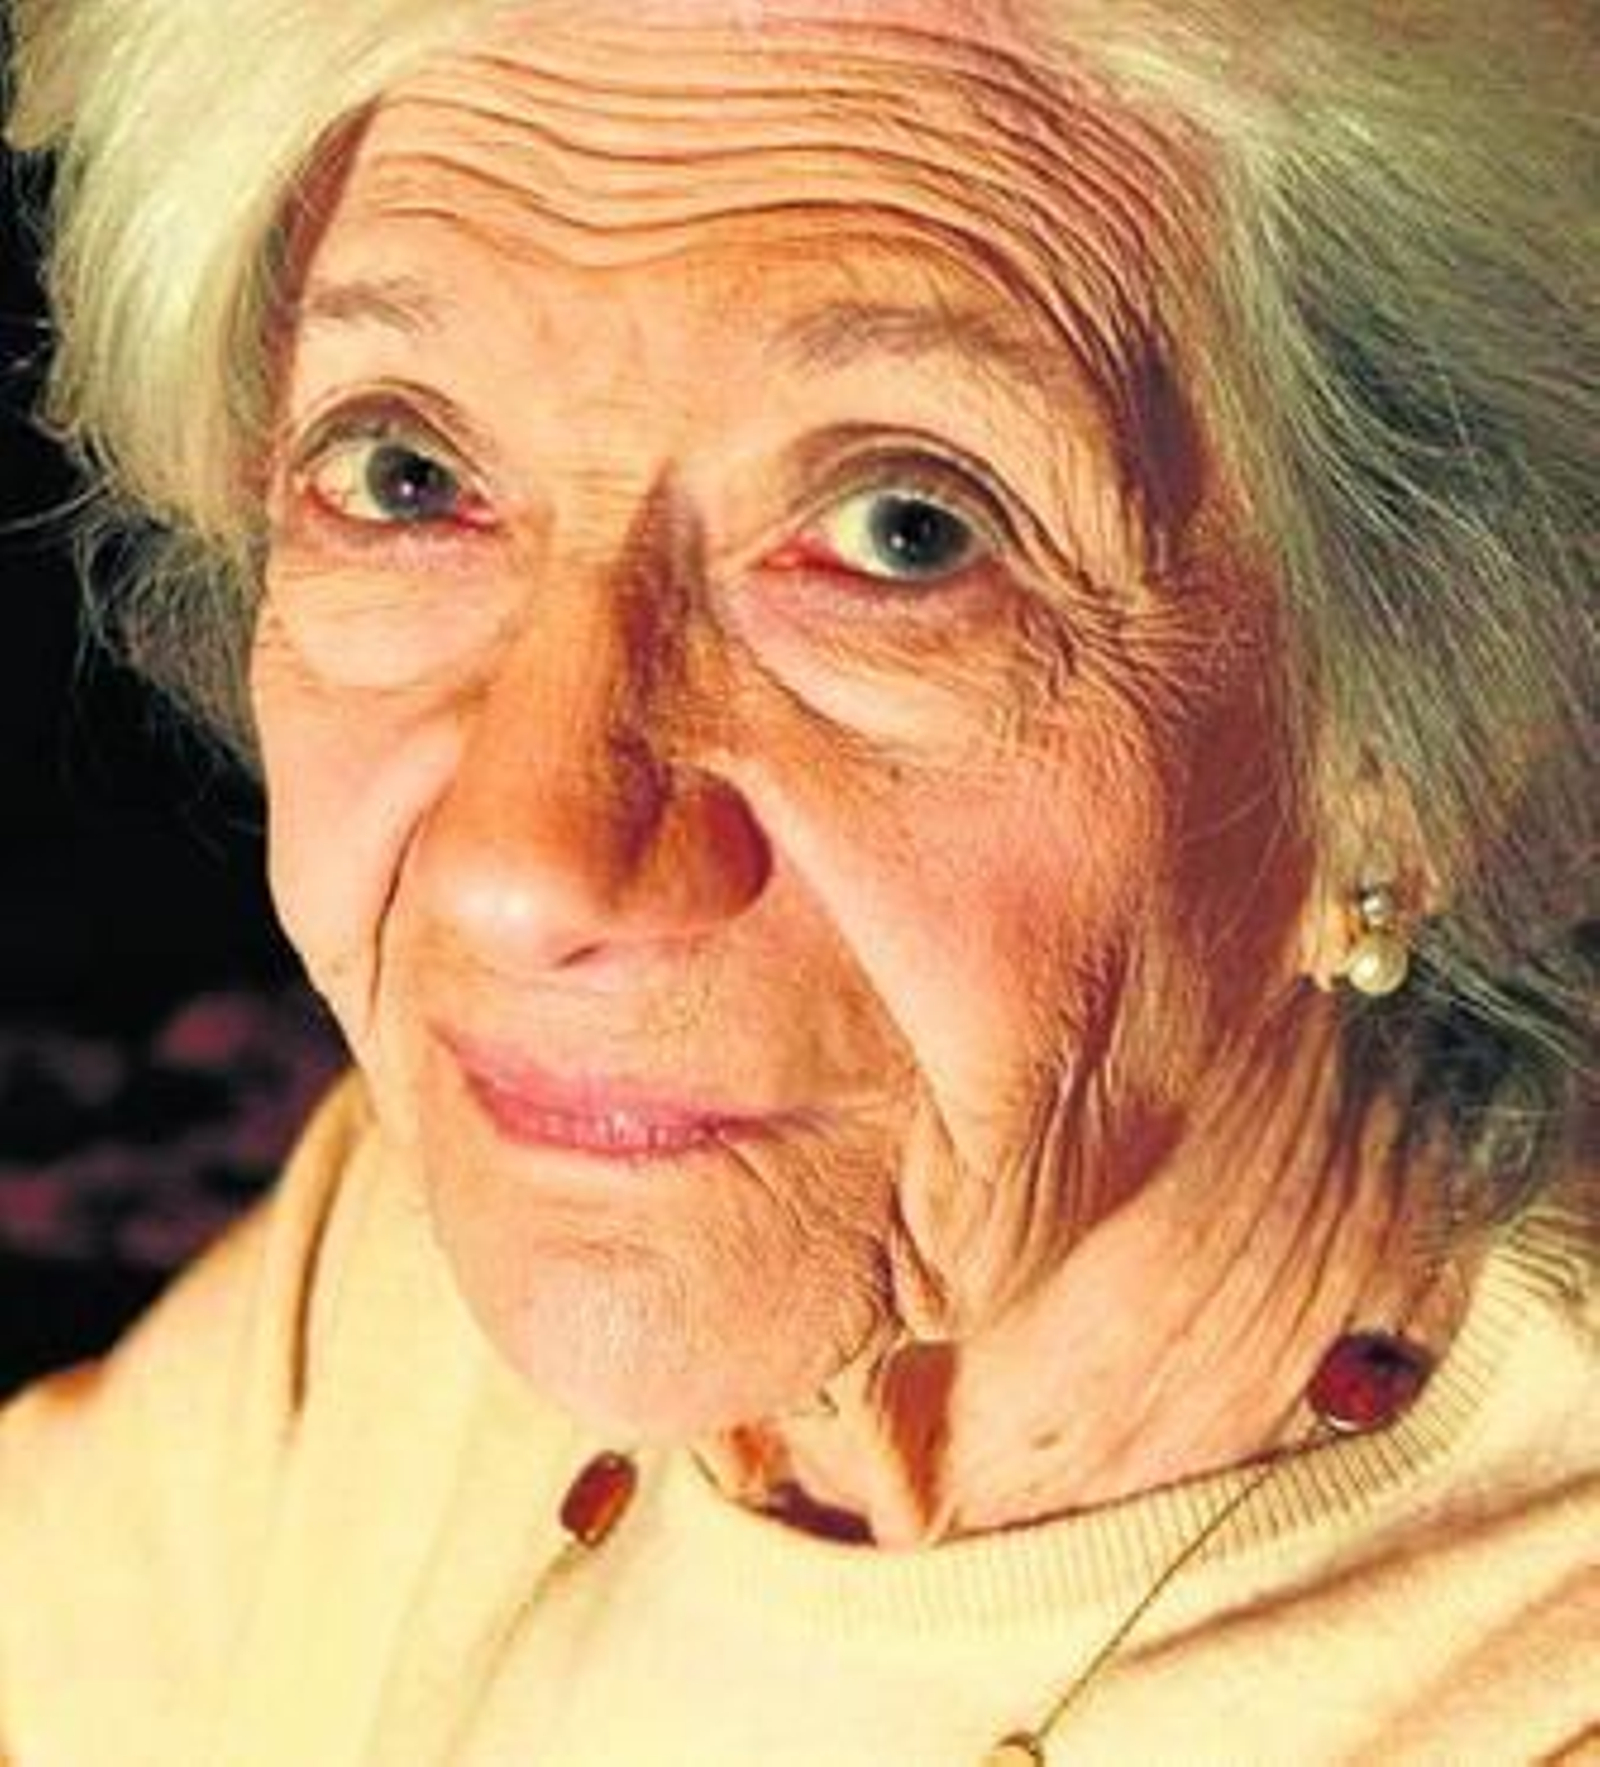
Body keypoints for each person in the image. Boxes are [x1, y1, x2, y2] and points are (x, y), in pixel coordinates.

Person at [1, 1, 1595, 1761]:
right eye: (409, 477)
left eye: (908, 532)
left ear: (1433, 749)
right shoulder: (425, 1252)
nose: (523, 872)